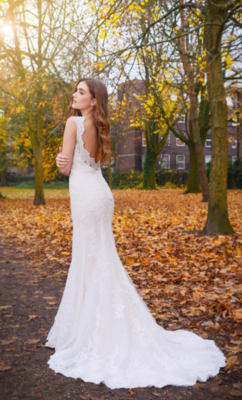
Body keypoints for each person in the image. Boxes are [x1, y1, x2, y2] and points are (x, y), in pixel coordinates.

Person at [45, 77, 226, 390]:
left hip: (86, 195)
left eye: (81, 92)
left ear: (93, 100)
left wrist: (61, 161)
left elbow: (64, 168)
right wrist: (66, 160)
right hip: (100, 193)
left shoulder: (73, 123)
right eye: (75, 90)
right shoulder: (100, 127)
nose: (74, 95)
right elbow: (93, 162)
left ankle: (87, 331)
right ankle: (93, 323)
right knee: (101, 257)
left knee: (90, 257)